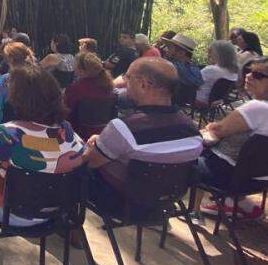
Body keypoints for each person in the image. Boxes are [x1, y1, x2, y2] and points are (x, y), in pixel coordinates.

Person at [0, 65, 85, 261]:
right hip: (55, 213)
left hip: (13, 212)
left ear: (18, 98)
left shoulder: (9, 134)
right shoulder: (69, 133)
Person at [84, 58, 202, 215]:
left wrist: (95, 145)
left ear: (143, 84)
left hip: (121, 204)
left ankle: (71, 231)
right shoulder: (193, 132)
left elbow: (90, 161)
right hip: (165, 202)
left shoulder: (123, 128)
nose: (125, 82)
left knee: (74, 171)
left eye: (128, 77)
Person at [193, 57, 268, 221]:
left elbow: (219, 130)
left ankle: (191, 210)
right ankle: (240, 204)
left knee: (186, 153)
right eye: (248, 70)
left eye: (258, 75)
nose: (248, 76)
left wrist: (213, 127)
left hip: (225, 175)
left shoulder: (257, 107)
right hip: (258, 181)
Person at [64, 52, 116, 139]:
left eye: (75, 65)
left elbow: (67, 113)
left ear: (81, 70)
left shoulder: (74, 89)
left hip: (79, 134)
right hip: (104, 134)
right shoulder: (109, 88)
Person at [194, 40, 239, 108]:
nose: (208, 54)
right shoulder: (234, 72)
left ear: (218, 54)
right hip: (217, 101)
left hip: (200, 100)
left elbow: (194, 83)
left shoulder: (211, 70)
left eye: (210, 51)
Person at [159, 33, 203, 98]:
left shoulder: (173, 67)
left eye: (169, 48)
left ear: (181, 53)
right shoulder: (194, 68)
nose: (165, 49)